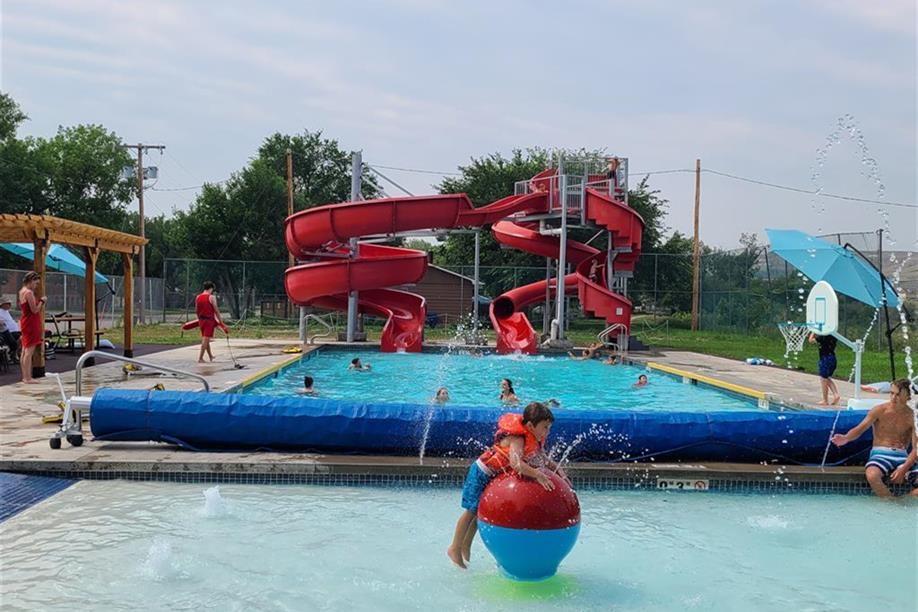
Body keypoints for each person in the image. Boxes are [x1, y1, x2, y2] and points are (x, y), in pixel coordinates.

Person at [447, 402, 560, 569]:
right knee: (470, 510)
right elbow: (516, 463)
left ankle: (466, 546)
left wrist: (559, 472)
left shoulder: (534, 439)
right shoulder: (518, 438)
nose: (547, 432)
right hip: (481, 472)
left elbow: (542, 458)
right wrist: (537, 474)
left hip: (493, 476)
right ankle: (454, 547)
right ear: (530, 425)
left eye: (549, 428)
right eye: (544, 427)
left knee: (478, 513)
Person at [831, 378, 918, 497]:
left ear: (908, 396)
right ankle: (890, 502)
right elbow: (860, 428)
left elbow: (916, 448)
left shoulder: (912, 417)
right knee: (872, 475)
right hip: (880, 454)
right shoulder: (879, 410)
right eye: (891, 393)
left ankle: (905, 499)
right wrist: (846, 437)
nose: (893, 397)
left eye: (898, 395)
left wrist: (904, 469)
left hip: (902, 457)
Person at [18, 272, 46, 384]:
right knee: (29, 351)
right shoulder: (28, 293)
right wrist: (42, 301)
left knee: (25, 350)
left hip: (25, 321)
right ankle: (27, 377)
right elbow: (34, 310)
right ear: (31, 280)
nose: (36, 285)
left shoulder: (21, 291)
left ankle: (25, 376)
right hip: (31, 322)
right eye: (35, 283)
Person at [195, 281, 224, 363]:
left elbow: (196, 310)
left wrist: (199, 318)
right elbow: (216, 310)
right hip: (208, 320)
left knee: (206, 338)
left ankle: (210, 356)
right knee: (205, 339)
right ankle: (200, 358)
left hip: (201, 320)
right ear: (211, 288)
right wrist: (220, 321)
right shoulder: (211, 297)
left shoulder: (198, 297)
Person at [809, 332, 840, 405]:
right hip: (833, 358)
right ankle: (836, 395)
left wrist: (813, 332)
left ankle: (825, 400)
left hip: (825, 359)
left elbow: (810, 340)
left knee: (823, 379)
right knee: (827, 378)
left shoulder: (822, 337)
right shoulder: (833, 337)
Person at [0, 296, 21, 362]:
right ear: (2, 304)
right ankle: (13, 354)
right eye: (8, 303)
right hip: (6, 332)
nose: (10, 305)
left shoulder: (6, 312)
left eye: (10, 304)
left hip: (14, 331)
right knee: (18, 339)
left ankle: (13, 353)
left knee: (22, 337)